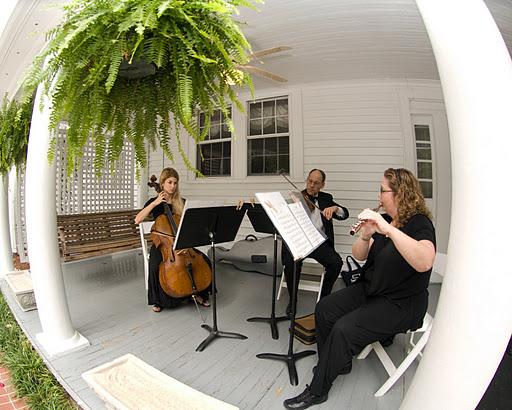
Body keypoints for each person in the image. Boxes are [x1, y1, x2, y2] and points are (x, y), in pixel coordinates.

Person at [283, 168, 436, 409]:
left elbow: (425, 260)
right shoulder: (385, 219)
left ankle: (318, 389)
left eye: (382, 190)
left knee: (343, 329)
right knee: (324, 308)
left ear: (400, 193)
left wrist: (388, 231)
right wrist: (365, 236)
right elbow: (359, 256)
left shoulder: (418, 223)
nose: (379, 196)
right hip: (372, 288)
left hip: (401, 302)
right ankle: (336, 363)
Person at [135, 167, 210, 312]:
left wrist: (185, 242)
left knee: (203, 260)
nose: (173, 186)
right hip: (163, 244)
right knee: (155, 266)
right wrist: (155, 203)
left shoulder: (181, 202)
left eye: (175, 183)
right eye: (169, 182)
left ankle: (196, 293)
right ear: (162, 183)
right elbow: (138, 220)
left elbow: (190, 225)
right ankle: (158, 301)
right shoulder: (154, 202)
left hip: (182, 241)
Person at [282, 169, 349, 317]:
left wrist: (335, 208)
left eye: (316, 183)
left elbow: (345, 214)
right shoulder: (297, 197)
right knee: (291, 262)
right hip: (300, 240)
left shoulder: (326, 198)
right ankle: (292, 300)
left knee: (336, 263)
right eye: (309, 181)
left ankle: (324, 299)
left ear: (322, 185)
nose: (311, 185)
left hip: (319, 241)